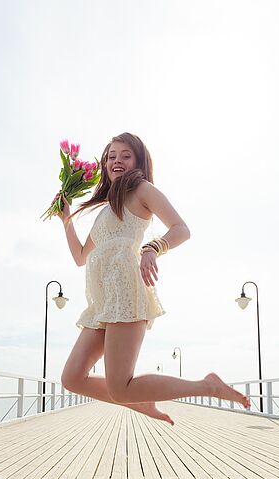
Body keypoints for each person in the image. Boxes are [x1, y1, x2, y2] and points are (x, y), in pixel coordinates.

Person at [54, 132, 250, 425]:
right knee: (72, 378)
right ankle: (139, 399)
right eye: (111, 156)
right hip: (102, 301)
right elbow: (81, 256)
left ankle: (207, 386)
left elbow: (181, 228)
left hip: (125, 291)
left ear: (139, 161)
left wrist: (152, 248)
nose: (116, 161)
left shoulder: (142, 190)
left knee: (120, 387)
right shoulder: (105, 210)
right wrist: (67, 219)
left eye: (125, 155)